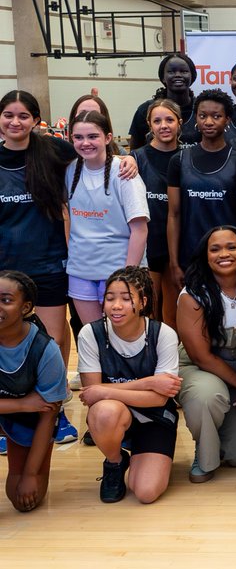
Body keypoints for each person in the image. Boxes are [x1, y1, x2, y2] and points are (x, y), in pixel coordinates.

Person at [0, 90, 138, 372]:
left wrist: (128, 159)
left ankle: (55, 401)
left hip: (49, 263)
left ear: (36, 120)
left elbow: (95, 152)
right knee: (9, 337)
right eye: (8, 115)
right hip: (6, 264)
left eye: (23, 115)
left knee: (53, 339)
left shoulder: (53, 149)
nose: (16, 122)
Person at [77, 266, 180, 504]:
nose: (116, 305)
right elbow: (92, 397)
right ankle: (115, 461)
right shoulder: (90, 334)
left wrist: (106, 390)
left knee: (145, 492)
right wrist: (150, 382)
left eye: (126, 298)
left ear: (143, 302)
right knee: (104, 411)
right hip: (115, 417)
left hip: (155, 417)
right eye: (110, 298)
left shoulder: (163, 334)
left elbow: (158, 399)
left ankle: (144, 458)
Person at [176, 225, 236, 481]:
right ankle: (203, 455)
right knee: (206, 397)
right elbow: (202, 356)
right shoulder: (193, 295)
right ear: (205, 255)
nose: (223, 254)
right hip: (201, 368)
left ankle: (220, 432)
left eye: (231, 247)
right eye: (214, 249)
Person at [65, 110, 150, 326]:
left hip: (117, 271)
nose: (85, 143)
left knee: (123, 339)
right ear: (70, 138)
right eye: (78, 137)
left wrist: (128, 277)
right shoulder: (69, 171)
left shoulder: (124, 173)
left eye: (93, 136)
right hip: (80, 271)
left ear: (108, 138)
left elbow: (140, 230)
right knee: (94, 337)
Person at [166, 89, 236, 292]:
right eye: (203, 116)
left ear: (227, 120)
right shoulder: (179, 160)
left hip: (229, 259)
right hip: (190, 257)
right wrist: (175, 263)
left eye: (216, 116)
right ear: (196, 118)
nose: (209, 122)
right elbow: (174, 214)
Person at [0, 271, 67, 513]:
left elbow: (48, 413)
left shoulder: (45, 349)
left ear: (25, 307)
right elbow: (31, 404)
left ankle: (21, 457)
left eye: (6, 300)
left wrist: (29, 474)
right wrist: (21, 404)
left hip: (32, 421)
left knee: (22, 498)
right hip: (18, 409)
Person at [133, 98, 182, 323]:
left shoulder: (186, 158)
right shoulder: (136, 159)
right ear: (149, 125)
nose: (164, 125)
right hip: (147, 244)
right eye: (157, 120)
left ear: (179, 123)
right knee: (148, 312)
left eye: (169, 119)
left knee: (172, 315)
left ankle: (171, 358)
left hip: (176, 245)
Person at [128, 52, 198, 150]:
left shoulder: (201, 109)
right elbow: (135, 150)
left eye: (184, 71)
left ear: (192, 76)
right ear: (163, 78)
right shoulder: (145, 110)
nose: (178, 75)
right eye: (171, 72)